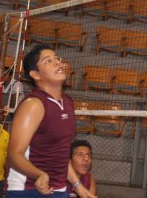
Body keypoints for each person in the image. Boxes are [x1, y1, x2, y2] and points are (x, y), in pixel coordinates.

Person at [6, 44, 95, 198]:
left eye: (57, 58)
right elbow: (14, 155)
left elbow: (60, 154)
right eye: (48, 61)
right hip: (28, 190)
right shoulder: (34, 105)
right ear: (36, 74)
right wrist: (39, 174)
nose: (57, 62)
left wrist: (78, 187)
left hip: (58, 190)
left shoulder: (67, 103)